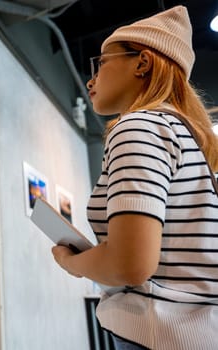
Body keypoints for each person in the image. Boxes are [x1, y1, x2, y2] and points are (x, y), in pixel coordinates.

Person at [51, 6, 218, 350]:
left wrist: (73, 262)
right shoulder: (181, 135)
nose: (90, 79)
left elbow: (130, 266)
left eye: (101, 62)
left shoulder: (138, 126)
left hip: (161, 333)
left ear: (142, 62)